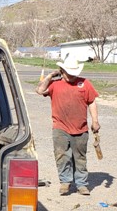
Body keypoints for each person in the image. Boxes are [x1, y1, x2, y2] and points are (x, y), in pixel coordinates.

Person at [35, 57, 100, 195]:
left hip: (80, 128)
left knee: (80, 157)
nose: (71, 76)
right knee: (62, 155)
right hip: (60, 128)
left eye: (74, 73)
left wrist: (95, 120)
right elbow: (40, 90)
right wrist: (50, 76)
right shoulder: (54, 84)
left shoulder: (85, 84)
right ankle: (65, 182)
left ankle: (81, 184)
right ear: (62, 71)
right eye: (69, 72)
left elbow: (92, 102)